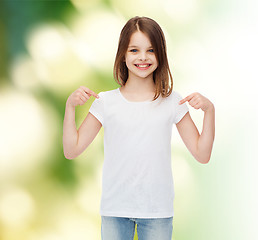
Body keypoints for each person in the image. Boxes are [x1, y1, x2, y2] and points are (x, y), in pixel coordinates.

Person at [63, 16, 215, 240]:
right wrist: (70, 107)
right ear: (123, 55)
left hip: (157, 212)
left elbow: (202, 154)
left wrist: (209, 111)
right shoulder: (106, 102)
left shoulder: (173, 101)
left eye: (151, 50)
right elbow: (71, 150)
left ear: (160, 55)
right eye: (134, 50)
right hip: (115, 210)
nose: (142, 57)